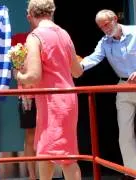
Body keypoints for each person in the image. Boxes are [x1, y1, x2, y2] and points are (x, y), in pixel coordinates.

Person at [14, 0, 83, 179]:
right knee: (45, 153)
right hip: (66, 99)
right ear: (51, 12)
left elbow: (34, 76)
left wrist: (19, 76)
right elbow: (77, 71)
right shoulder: (64, 34)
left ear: (29, 16)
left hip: (52, 101)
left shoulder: (34, 37)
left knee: (66, 158)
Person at [79, 9, 136, 177]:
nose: (105, 29)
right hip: (123, 86)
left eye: (107, 24)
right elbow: (92, 59)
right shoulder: (105, 42)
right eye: (101, 27)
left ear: (115, 19)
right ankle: (132, 173)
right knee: (124, 134)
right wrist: (75, 67)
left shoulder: (135, 31)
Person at [12, 31, 37, 180]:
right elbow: (15, 73)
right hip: (26, 98)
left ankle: (46, 173)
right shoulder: (18, 41)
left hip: (45, 95)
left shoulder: (46, 38)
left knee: (46, 135)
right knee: (30, 136)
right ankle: (32, 175)